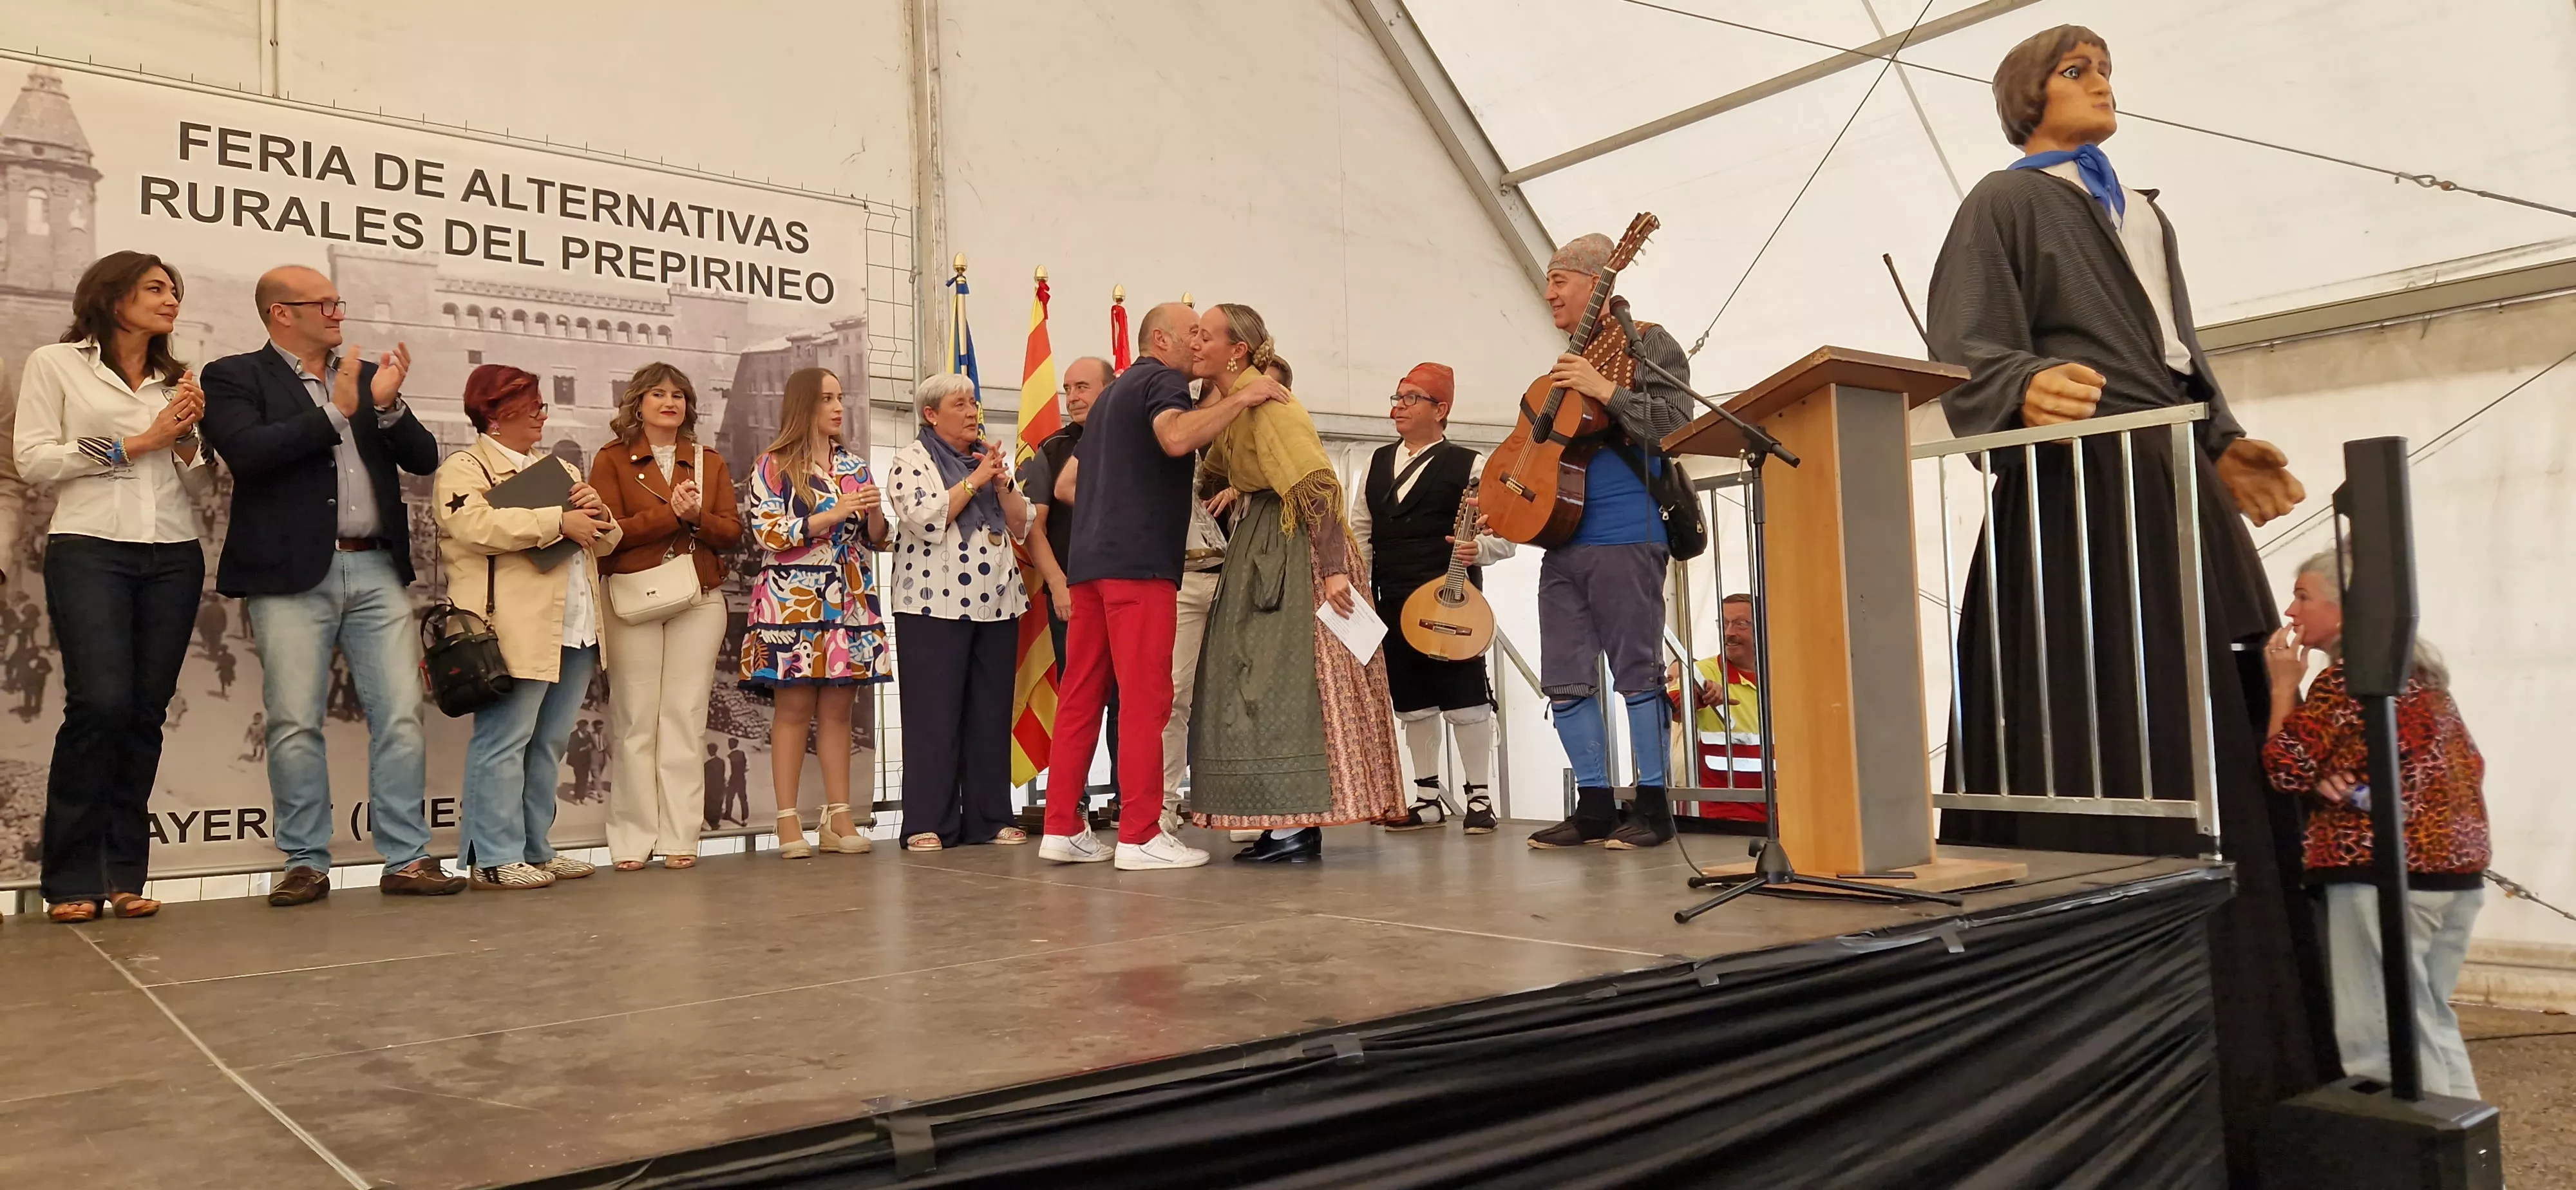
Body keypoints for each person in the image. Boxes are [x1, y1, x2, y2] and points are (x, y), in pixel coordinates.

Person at [1924, 26, 2326, 1180]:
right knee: (2097, 695)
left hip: (2166, 478)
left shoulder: (2145, 210)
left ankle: (2246, 1013)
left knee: (2216, 699)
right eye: (2076, 70)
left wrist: (2223, 436)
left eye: (2104, 68)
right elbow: (1966, 343)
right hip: (2084, 482)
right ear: (2025, 96)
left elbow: (2180, 346)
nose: (2102, 84)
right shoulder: (2005, 201)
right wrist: (2014, 387)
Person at [202, 263, 457, 905]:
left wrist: (389, 406)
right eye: (326, 304)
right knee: (293, 721)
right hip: (290, 573)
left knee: (400, 715)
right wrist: (337, 413)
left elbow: (424, 460)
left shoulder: (369, 378)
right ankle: (305, 861)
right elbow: (250, 453)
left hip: (375, 567)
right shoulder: (234, 376)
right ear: (281, 313)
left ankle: (406, 857)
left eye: (338, 303)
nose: (339, 314)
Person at [1038, 301, 1283, 871]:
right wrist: (1244, 397)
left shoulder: (1113, 397)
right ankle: (1141, 835)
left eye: (1207, 334)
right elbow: (1175, 439)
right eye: (1192, 333)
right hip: (1139, 565)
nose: (1200, 344)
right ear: (1162, 340)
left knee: (1079, 699)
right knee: (1147, 699)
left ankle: (1062, 828)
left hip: (1091, 564)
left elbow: (1070, 483)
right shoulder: (1162, 382)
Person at [15, 251, 209, 923]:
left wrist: (186, 437)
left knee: (144, 715)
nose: (170, 300)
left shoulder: (178, 378)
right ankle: (69, 877)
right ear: (113, 293)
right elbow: (34, 458)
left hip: (174, 553)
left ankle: (125, 874)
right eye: (156, 288)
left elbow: (202, 482)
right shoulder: (57, 362)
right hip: (90, 547)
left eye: (174, 290)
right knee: (98, 705)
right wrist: (136, 442)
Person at [2262, 549, 2490, 1100]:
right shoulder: (2424, 681)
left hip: (2383, 878)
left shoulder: (2347, 683)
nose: (2291, 613)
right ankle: (2466, 1166)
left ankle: (2420, 1166)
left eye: (2303, 597)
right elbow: (2437, 773)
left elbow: (2285, 766)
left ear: (2345, 612)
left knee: (2385, 1042)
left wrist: (2281, 688)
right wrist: (2338, 781)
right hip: (2454, 877)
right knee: (2429, 1023)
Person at [1187, 303, 1406, 863]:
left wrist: (1333, 569)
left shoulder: (1272, 405)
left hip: (1293, 549)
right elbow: (1213, 469)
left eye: (1205, 336)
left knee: (1289, 683)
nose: (1195, 344)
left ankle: (1295, 827)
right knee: (1256, 681)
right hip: (1261, 542)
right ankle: (1281, 820)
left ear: (1237, 349)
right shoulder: (1239, 405)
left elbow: (1316, 486)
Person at [1517, 234, 1693, 852]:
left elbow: (1677, 424)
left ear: (1598, 284)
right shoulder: (1569, 358)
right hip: (1561, 538)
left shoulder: (1647, 339)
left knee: (1636, 672)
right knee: (1564, 676)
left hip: (1627, 530)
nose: (1549, 292)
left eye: (1561, 279)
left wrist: (1606, 390)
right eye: (1549, 280)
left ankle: (1652, 807)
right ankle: (1593, 804)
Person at [432, 364, 621, 890]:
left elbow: (605, 540)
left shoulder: (557, 467)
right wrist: (557, 521)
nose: (544, 413)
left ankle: (536, 849)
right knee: (504, 740)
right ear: (495, 413)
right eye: (533, 405)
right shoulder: (465, 468)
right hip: (510, 629)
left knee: (549, 743)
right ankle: (494, 857)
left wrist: (597, 512)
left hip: (576, 626)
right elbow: (472, 525)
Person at [591, 363, 743, 872]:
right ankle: (631, 840)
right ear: (638, 404)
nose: (670, 402)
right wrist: (672, 515)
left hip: (698, 598)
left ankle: (682, 837)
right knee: (636, 720)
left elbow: (731, 533)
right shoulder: (610, 461)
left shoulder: (709, 462)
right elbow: (607, 535)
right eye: (658, 394)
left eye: (678, 394)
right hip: (632, 596)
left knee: (685, 717)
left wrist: (698, 517)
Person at [1353, 362, 1513, 835]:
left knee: (1464, 697)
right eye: (1397, 398)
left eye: (1410, 399)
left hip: (1453, 598)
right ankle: (1427, 797)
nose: (1396, 408)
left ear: (1440, 409)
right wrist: (1361, 586)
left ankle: (1480, 797)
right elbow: (1360, 532)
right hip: (1392, 598)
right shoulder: (1376, 464)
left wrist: (1476, 548)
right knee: (1412, 701)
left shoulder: (1472, 465)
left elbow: (1504, 538)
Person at [739, 366, 889, 859]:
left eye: (840, 397)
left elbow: (877, 538)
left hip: (849, 595)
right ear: (804, 405)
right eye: (827, 398)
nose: (838, 407)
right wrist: (832, 512)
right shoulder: (773, 465)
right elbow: (770, 534)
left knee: (839, 710)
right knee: (795, 707)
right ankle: (786, 822)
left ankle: (838, 816)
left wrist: (870, 512)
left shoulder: (856, 464)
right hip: (792, 599)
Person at [887, 372, 1033, 851]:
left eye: (974, 402)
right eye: (960, 404)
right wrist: (975, 480)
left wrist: (1001, 478)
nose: (973, 412)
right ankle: (928, 822)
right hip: (932, 607)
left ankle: (990, 818)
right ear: (931, 414)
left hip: (997, 602)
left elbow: (1022, 523)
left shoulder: (985, 462)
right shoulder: (910, 460)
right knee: (934, 716)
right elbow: (926, 518)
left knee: (989, 714)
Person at [1020, 356, 1119, 818]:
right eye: (1067, 389)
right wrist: (1058, 584)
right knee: (1079, 696)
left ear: (1111, 388)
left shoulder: (1137, 442)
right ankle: (1070, 801)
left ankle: (1129, 799)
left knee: (1129, 699)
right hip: (1073, 597)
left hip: (1130, 591)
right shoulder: (1053, 448)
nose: (1074, 397)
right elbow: (1032, 528)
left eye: (1083, 387)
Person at [1665, 594, 1766, 826]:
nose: (1729, 632)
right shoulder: (1702, 672)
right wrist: (1697, 698)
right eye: (1724, 623)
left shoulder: (1789, 673)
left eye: (1741, 624)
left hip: (1791, 816)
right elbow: (1666, 709)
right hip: (1725, 820)